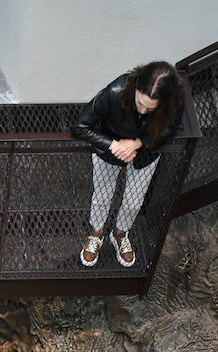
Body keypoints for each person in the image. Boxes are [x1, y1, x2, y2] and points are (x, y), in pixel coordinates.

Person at [72, 61, 186, 268]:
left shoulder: (174, 101)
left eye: (150, 108)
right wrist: (113, 145)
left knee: (134, 202)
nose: (142, 111)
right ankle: (96, 233)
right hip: (109, 150)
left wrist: (137, 143)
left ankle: (120, 233)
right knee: (102, 197)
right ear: (136, 86)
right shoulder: (115, 91)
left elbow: (170, 129)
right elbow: (80, 126)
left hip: (146, 153)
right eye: (140, 103)